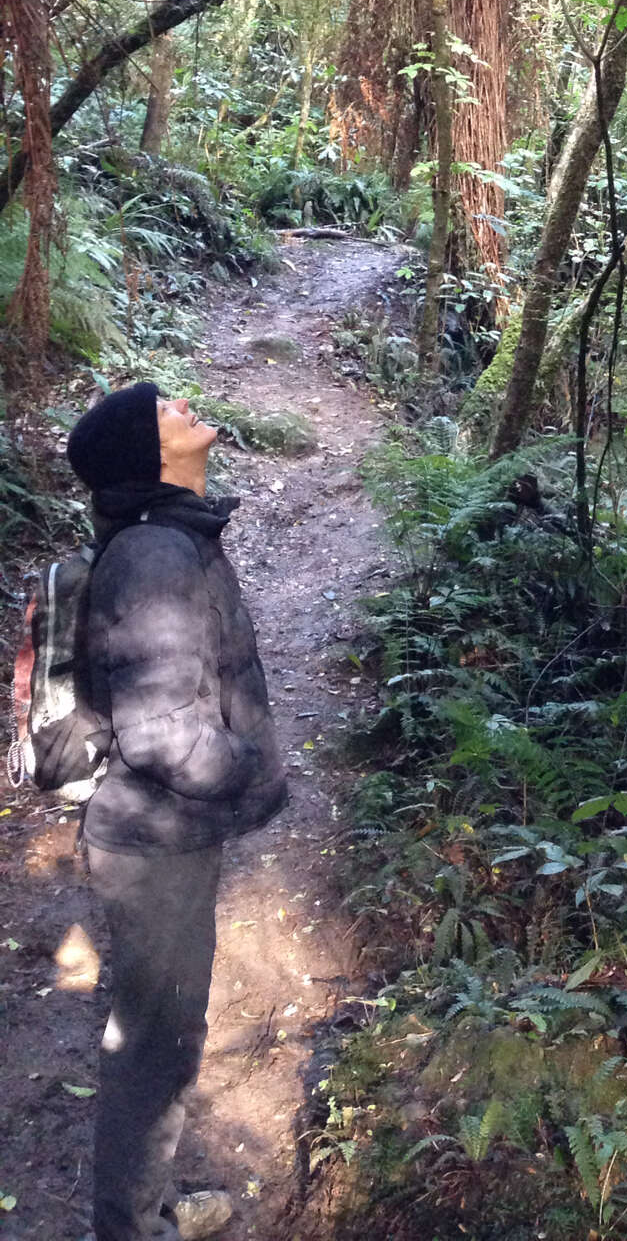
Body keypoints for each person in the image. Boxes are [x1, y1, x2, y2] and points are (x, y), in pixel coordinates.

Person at [65, 382, 287, 1241]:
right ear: (150, 457)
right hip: (155, 844)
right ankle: (132, 1228)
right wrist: (248, 771)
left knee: (160, 1032)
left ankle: (143, 1209)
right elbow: (162, 736)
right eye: (165, 408)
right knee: (154, 1048)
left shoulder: (167, 537)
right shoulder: (156, 552)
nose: (186, 405)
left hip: (158, 839)